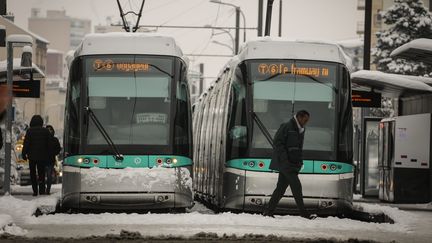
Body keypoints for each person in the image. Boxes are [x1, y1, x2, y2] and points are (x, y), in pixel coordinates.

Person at [263, 110, 314, 219]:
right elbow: (277, 143)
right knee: (296, 187)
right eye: (305, 120)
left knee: (280, 189)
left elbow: (298, 149)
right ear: (299, 117)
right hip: (286, 164)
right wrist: (285, 161)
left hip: (293, 164)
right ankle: (304, 213)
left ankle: (268, 211)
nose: (306, 122)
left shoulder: (301, 130)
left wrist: (300, 162)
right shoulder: (286, 127)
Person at [22, 115, 51, 196]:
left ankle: (35, 191)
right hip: (42, 157)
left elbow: (26, 143)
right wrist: (48, 155)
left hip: (32, 156)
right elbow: (49, 144)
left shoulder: (29, 131)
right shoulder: (46, 131)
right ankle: (41, 190)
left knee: (33, 173)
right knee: (41, 173)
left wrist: (24, 154)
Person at [45, 125, 61, 195]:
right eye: (47, 129)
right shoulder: (42, 139)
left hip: (50, 160)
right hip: (42, 160)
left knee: (49, 176)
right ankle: (43, 189)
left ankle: (47, 190)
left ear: (52, 131)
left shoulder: (55, 139)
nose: (49, 131)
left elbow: (58, 149)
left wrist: (53, 153)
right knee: (41, 176)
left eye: (50, 129)